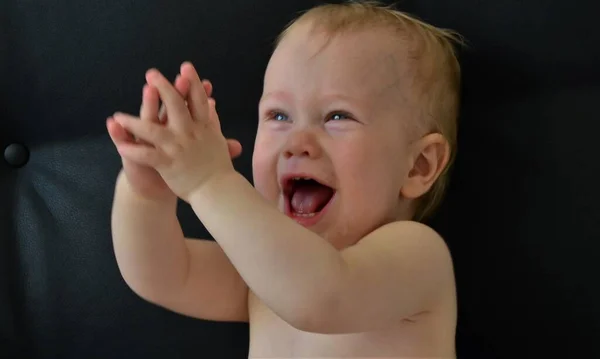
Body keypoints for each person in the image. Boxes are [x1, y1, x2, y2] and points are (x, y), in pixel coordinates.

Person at [106, 1, 463, 357]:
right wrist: (146, 192)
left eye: (337, 116)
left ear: (418, 166)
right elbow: (162, 275)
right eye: (278, 115)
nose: (297, 143)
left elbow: (320, 299)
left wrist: (208, 182)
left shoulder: (417, 256)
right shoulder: (263, 277)